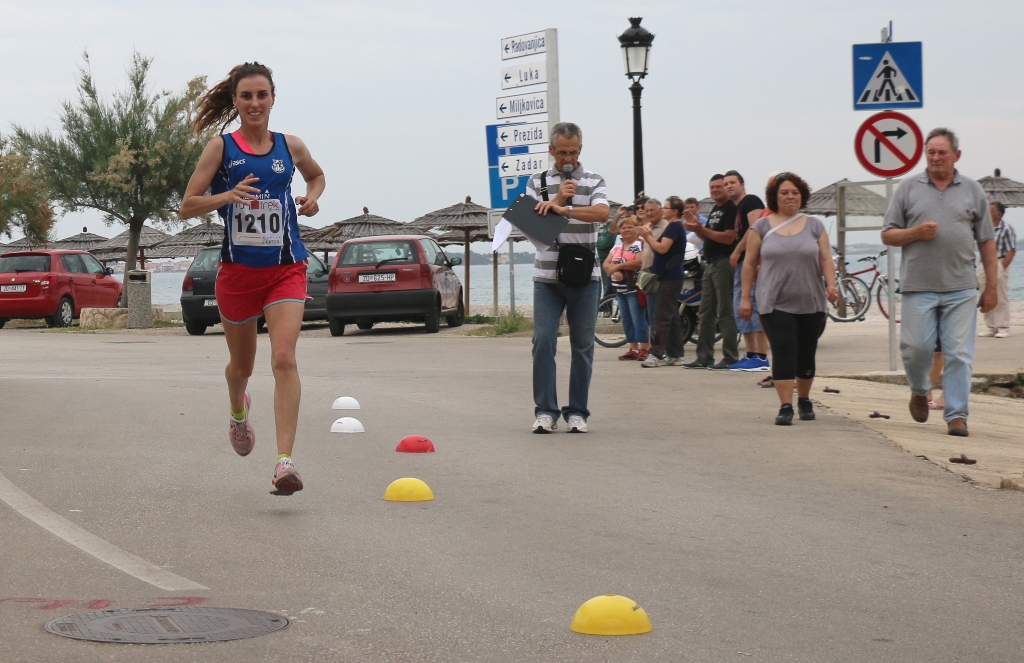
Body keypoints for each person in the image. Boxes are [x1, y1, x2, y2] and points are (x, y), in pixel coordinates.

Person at [180, 62, 325, 493]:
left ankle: (284, 462)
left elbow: (316, 176)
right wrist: (226, 196)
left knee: (283, 358)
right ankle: (238, 411)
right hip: (238, 275)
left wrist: (312, 200)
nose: (255, 103)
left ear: (273, 99)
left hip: (286, 269)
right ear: (237, 102)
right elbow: (187, 206)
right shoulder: (221, 149)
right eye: (246, 96)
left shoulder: (291, 147)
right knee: (241, 367)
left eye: (262, 95)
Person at [880, 127, 998, 437]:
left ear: (956, 156)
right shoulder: (907, 189)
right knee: (915, 348)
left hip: (961, 287)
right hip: (918, 286)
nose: (935, 157)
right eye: (930, 152)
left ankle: (957, 415)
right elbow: (888, 234)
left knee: (959, 352)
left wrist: (992, 287)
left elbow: (986, 241)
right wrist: (915, 233)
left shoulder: (973, 191)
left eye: (941, 152)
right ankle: (920, 390)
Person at [527, 122, 609, 434]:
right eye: (562, 153)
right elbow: (533, 225)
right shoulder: (537, 182)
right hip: (546, 276)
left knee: (583, 344)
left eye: (573, 152)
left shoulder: (594, 180)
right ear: (551, 151)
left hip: (585, 276)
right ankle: (545, 410)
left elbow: (601, 214)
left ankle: (578, 411)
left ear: (580, 150)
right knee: (544, 340)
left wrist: (561, 211)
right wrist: (560, 199)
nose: (568, 159)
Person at [739, 173, 838, 425]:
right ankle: (785, 406)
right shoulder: (761, 226)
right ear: (775, 197)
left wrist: (831, 284)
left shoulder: (815, 225)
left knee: (806, 353)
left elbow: (826, 258)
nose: (790, 196)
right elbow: (749, 264)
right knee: (784, 350)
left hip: (811, 301)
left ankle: (804, 399)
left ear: (802, 195)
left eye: (794, 192)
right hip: (774, 301)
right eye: (784, 192)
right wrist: (745, 298)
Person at [683, 175, 739, 370]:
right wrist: (696, 226)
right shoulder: (715, 209)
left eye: (718, 187)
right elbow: (705, 236)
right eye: (712, 187)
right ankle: (704, 357)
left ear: (725, 188)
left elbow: (728, 238)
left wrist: (701, 230)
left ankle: (730, 357)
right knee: (705, 313)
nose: (714, 190)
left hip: (723, 263)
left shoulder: (731, 208)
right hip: (709, 263)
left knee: (724, 311)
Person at [724, 171, 769, 372]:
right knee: (741, 309)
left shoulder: (751, 201)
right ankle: (751, 354)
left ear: (742, 184)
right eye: (726, 183)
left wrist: (737, 251)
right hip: (743, 264)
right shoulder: (737, 208)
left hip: (749, 262)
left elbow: (754, 230)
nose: (728, 186)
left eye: (732, 182)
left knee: (752, 307)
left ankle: (761, 357)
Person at [638, 196, 688, 367]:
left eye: (665, 207)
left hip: (669, 278)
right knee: (671, 316)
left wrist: (647, 236)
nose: (663, 210)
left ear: (674, 211)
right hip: (667, 277)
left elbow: (662, 248)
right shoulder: (674, 227)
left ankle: (656, 354)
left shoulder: (674, 226)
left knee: (661, 317)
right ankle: (676, 353)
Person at [603, 216, 649, 361]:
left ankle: (644, 348)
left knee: (638, 319)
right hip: (619, 291)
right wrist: (614, 269)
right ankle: (632, 348)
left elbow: (639, 262)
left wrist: (618, 266)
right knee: (627, 320)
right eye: (623, 228)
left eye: (630, 227)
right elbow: (606, 264)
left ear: (636, 229)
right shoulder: (617, 247)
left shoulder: (639, 245)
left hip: (634, 289)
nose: (627, 230)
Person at [977, 201, 1016, 338]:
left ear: (998, 214)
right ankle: (991, 326)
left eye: (990, 211)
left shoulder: (1006, 229)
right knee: (984, 293)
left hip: (999, 261)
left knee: (1000, 294)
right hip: (985, 263)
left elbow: (1011, 251)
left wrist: (1002, 268)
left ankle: (1003, 326)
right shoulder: (985, 228)